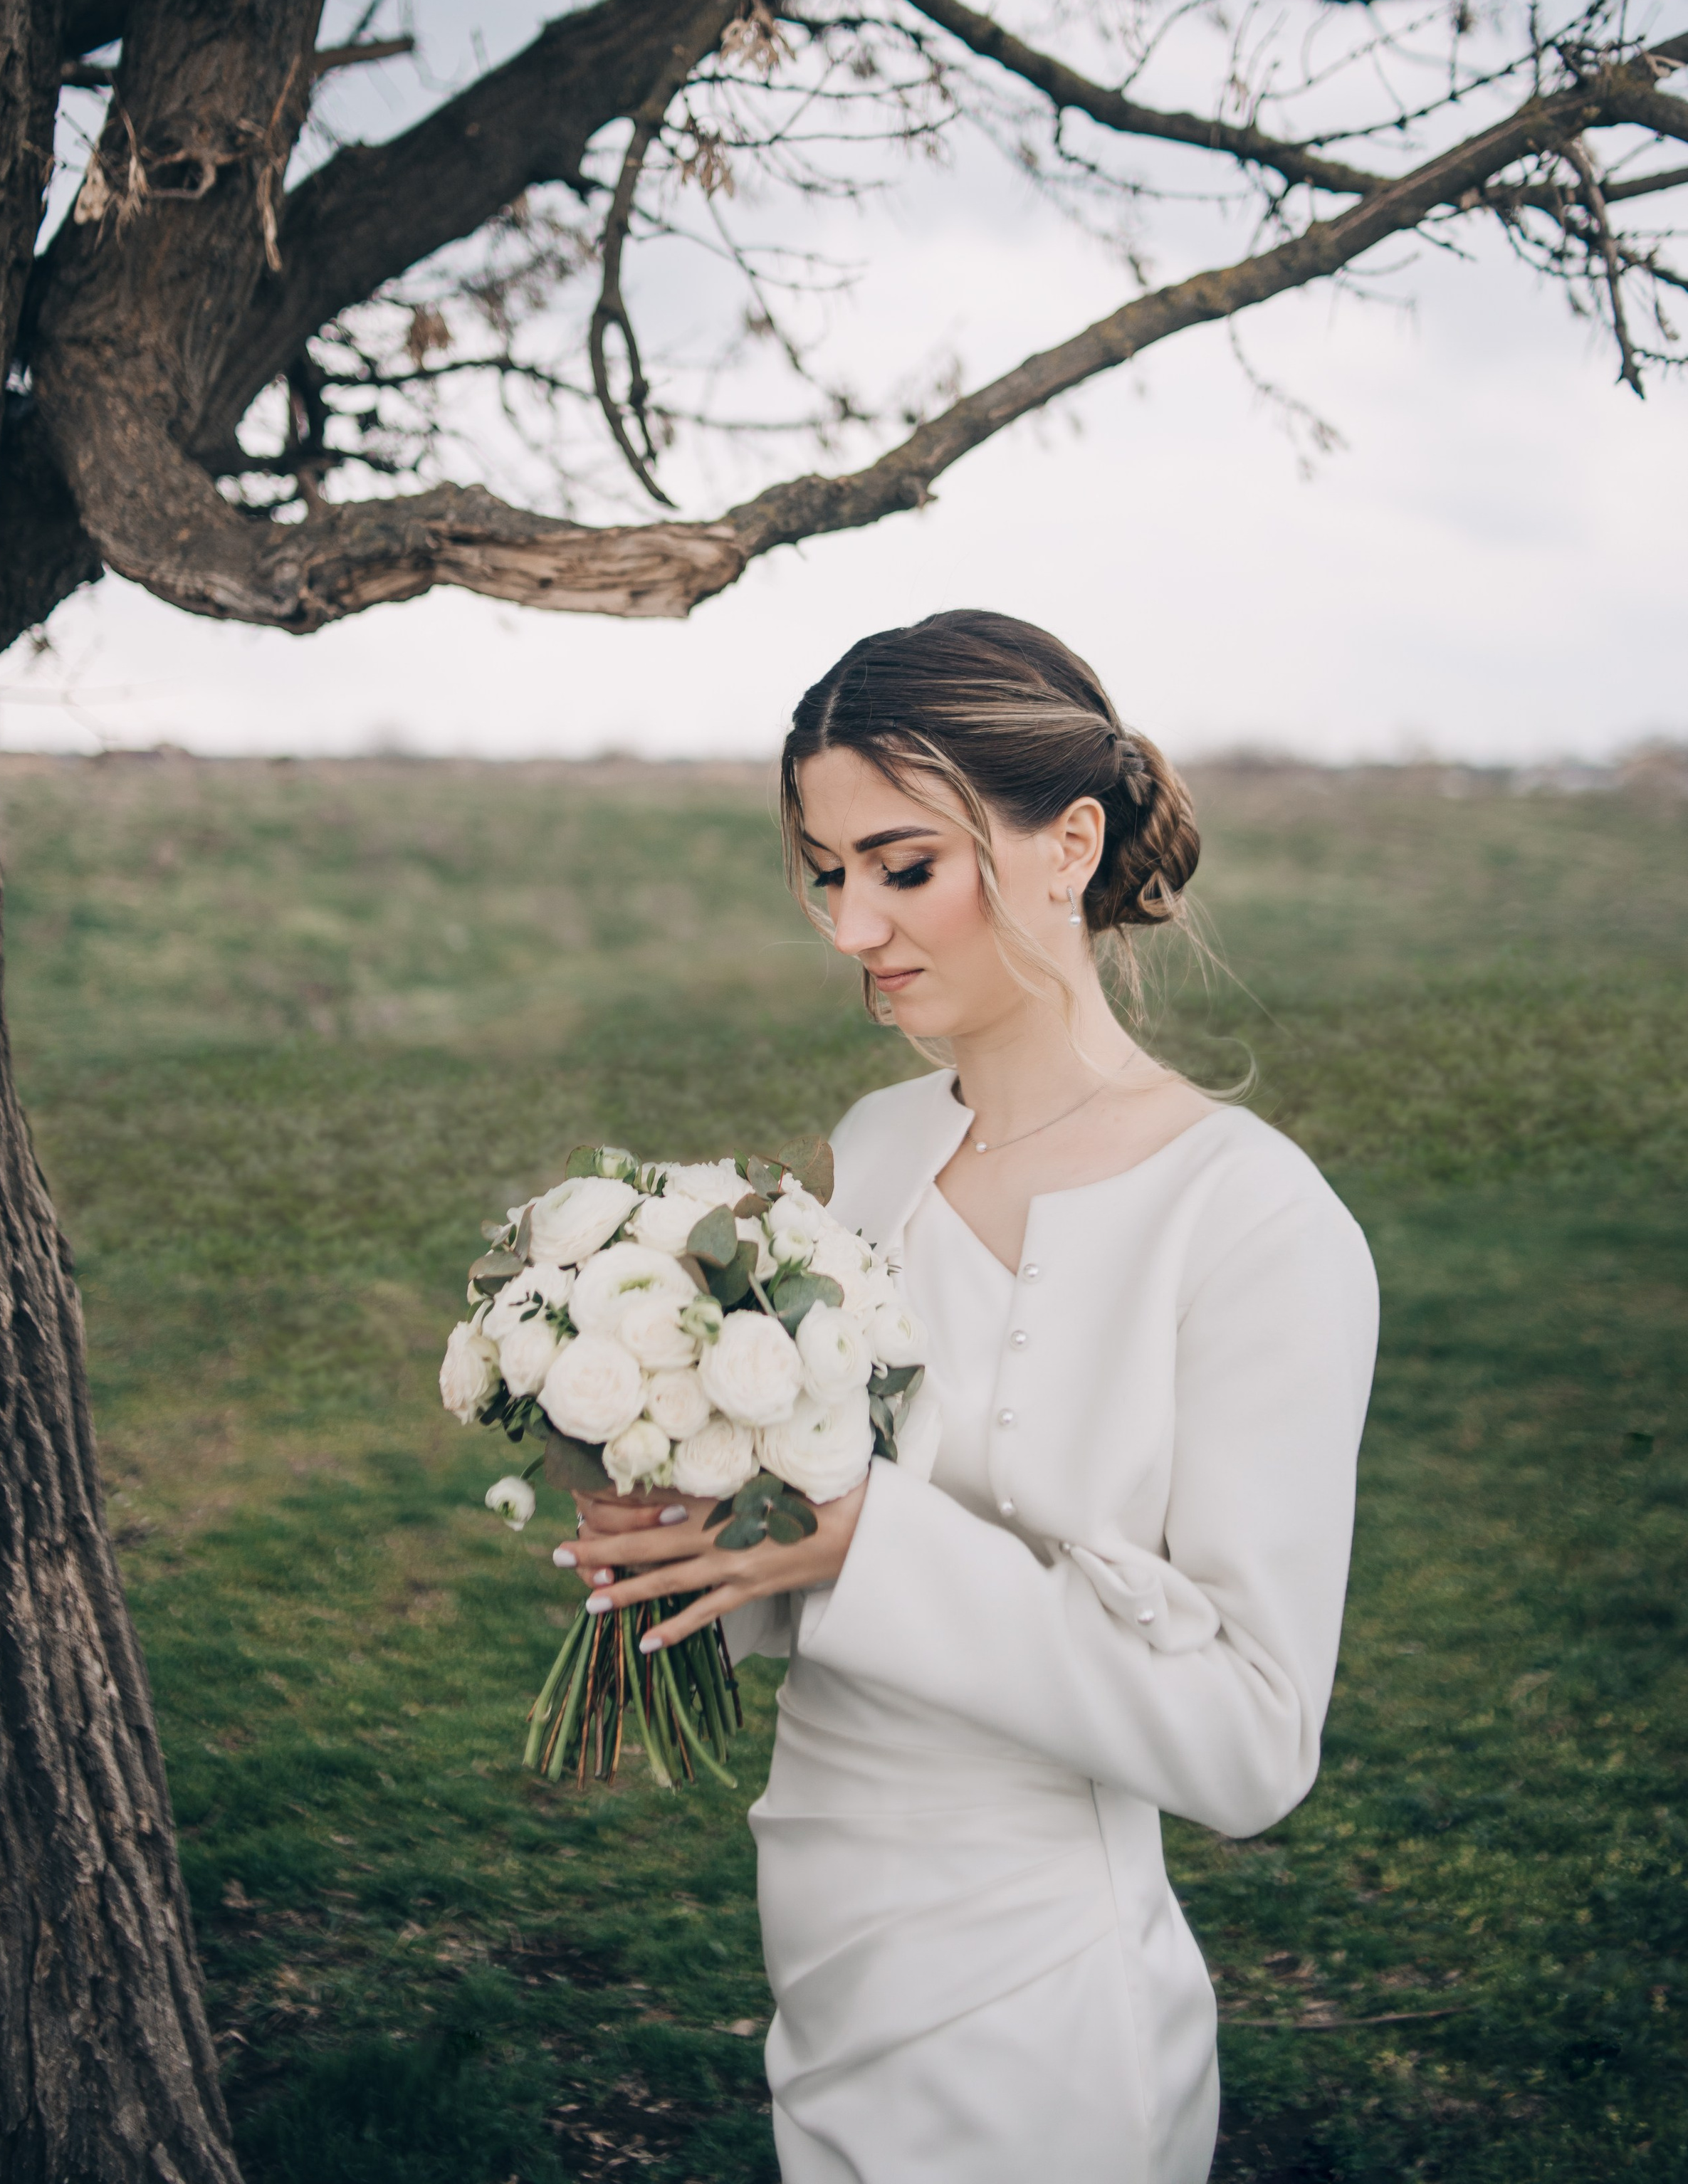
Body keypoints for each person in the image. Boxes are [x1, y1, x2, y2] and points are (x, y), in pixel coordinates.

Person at [561, 611, 1378, 2183]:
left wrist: (870, 1546)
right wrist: (696, 1537)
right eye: (823, 872)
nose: (851, 925)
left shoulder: (1252, 1221)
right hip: (821, 1921)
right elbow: (820, 1544)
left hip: (1037, 1989)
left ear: (1066, 843)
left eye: (901, 865)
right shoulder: (872, 1150)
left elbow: (1252, 1743)